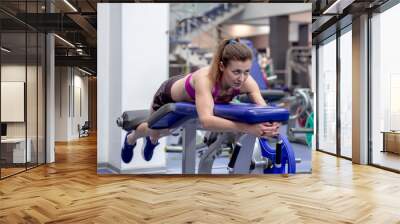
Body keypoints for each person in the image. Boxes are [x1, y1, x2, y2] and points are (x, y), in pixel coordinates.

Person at [121, 38, 280, 163]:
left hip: (197, 98)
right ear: (222, 66)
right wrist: (246, 128)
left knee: (168, 131)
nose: (242, 78)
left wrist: (272, 123)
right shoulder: (206, 79)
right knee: (157, 130)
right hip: (168, 95)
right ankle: (131, 138)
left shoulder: (247, 82)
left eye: (246, 72)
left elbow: (263, 109)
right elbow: (207, 121)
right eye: (236, 72)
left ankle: (152, 141)